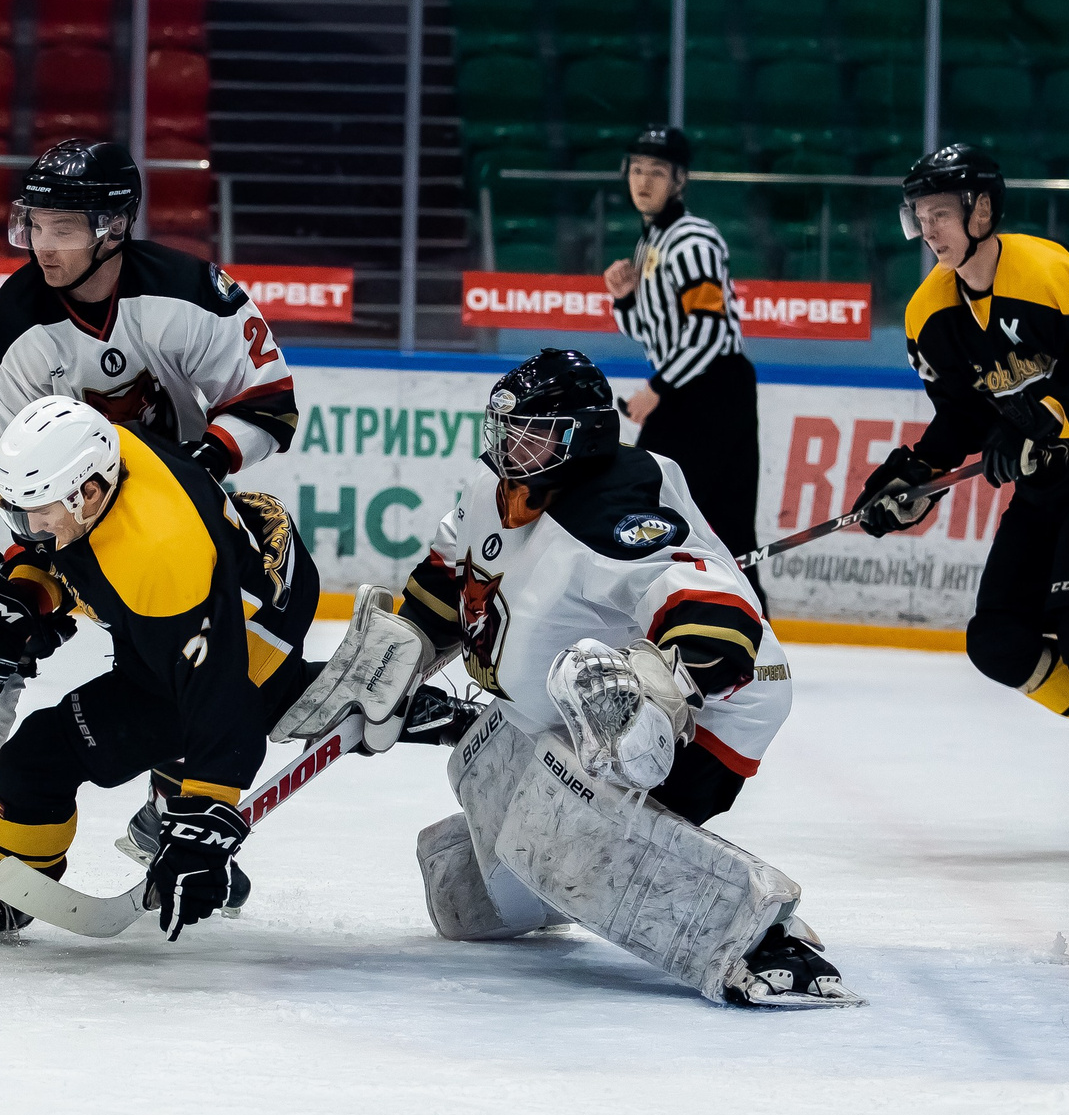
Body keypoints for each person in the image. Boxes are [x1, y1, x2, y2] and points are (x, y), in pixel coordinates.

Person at [283, 348, 855, 1008]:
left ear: (583, 435)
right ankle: (543, 797)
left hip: (708, 705)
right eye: (506, 430)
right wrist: (391, 665)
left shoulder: (614, 503)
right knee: (468, 881)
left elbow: (717, 615)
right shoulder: (494, 491)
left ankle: (755, 937)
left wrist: (663, 692)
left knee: (564, 794)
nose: (510, 446)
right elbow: (445, 585)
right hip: (573, 710)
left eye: (532, 433)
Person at [0, 138, 301, 929]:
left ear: (115, 224)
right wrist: (22, 585)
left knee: (186, 670)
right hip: (52, 515)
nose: (43, 245)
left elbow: (267, 402)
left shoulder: (193, 294)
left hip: (170, 519)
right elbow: (7, 481)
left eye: (64, 227)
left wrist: (197, 466)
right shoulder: (11, 329)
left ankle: (177, 823)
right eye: (35, 224)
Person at [0, 394, 320, 944]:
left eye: (38, 512)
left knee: (46, 756)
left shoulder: (163, 561)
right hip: (209, 597)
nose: (26, 528)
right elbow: (75, 563)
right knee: (36, 760)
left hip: (249, 635)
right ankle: (13, 890)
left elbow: (222, 700)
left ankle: (311, 690)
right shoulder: (100, 460)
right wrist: (27, 601)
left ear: (89, 494)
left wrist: (204, 827)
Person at [852, 145, 1069, 840]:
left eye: (941, 214)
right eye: (920, 217)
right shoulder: (930, 314)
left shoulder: (1052, 274)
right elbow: (962, 416)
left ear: (982, 210)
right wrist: (912, 473)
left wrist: (1052, 421)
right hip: (1050, 487)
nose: (929, 230)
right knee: (998, 640)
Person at [600, 125, 763, 596]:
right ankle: (743, 637)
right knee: (702, 519)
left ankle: (741, 638)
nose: (643, 181)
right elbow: (652, 334)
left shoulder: (691, 240)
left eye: (656, 171)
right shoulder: (652, 242)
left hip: (712, 390)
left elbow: (709, 328)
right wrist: (626, 298)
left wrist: (659, 389)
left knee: (670, 511)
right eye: (636, 170)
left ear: (680, 180)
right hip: (697, 388)